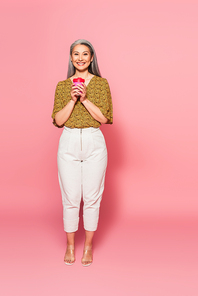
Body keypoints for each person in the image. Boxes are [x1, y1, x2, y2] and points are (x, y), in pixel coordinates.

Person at [51, 39, 113, 266]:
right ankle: (69, 245)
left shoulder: (101, 84)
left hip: (93, 141)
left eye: (85, 54)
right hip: (68, 140)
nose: (80, 58)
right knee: (70, 197)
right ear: (70, 58)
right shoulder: (61, 85)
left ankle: (88, 246)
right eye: (76, 54)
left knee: (92, 197)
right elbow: (58, 120)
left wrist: (85, 99)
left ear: (92, 58)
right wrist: (72, 98)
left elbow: (105, 118)